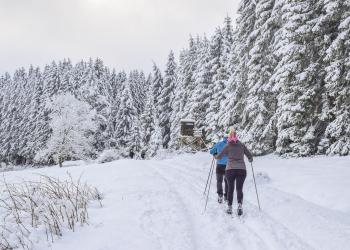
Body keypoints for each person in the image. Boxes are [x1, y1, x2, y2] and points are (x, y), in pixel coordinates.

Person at [215, 128, 253, 216]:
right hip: (241, 170)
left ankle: (229, 207)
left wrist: (216, 156)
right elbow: (250, 156)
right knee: (239, 189)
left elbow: (219, 157)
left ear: (229, 137)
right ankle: (239, 205)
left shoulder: (227, 146)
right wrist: (250, 159)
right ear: (237, 136)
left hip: (230, 170)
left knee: (230, 189)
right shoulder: (242, 145)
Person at [209, 134, 228, 204]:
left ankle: (220, 195)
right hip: (229, 166)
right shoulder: (231, 144)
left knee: (219, 181)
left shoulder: (219, 144)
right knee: (227, 181)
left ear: (223, 138)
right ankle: (227, 196)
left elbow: (211, 151)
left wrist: (215, 153)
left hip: (220, 165)